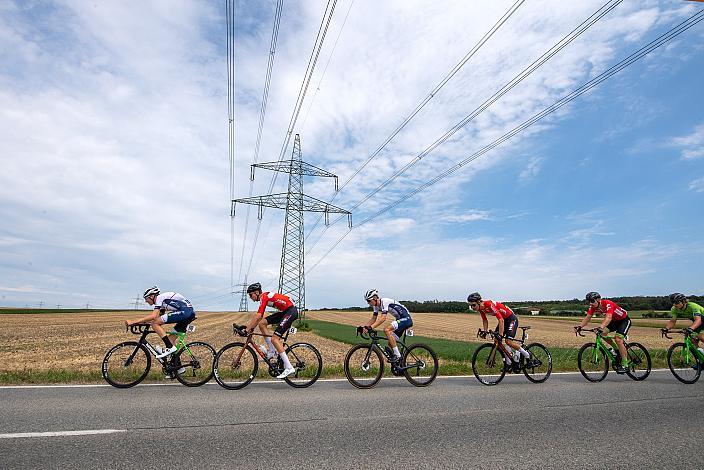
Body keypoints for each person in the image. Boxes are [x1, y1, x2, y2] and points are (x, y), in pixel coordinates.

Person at [244, 282, 298, 379]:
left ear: (256, 292)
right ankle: (272, 351)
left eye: (250, 294)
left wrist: (248, 329)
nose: (250, 297)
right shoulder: (264, 297)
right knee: (262, 324)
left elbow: (258, 315)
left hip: (290, 311)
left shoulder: (264, 297)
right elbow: (259, 319)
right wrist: (250, 328)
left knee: (275, 339)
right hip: (285, 311)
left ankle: (289, 367)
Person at [125, 286, 196, 359]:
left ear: (152, 296)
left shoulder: (159, 298)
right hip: (189, 314)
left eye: (146, 298)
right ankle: (178, 367)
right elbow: (158, 317)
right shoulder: (162, 302)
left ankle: (169, 347)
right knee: (170, 340)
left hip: (185, 312)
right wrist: (142, 323)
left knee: (154, 323)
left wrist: (133, 322)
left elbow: (153, 316)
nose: (146, 301)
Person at [467, 292, 529, 369]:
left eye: (473, 305)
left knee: (508, 341)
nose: (472, 307)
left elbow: (501, 319)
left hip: (511, 319)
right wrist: (485, 331)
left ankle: (527, 355)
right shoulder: (481, 309)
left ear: (479, 302)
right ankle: (509, 364)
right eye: (470, 305)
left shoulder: (488, 304)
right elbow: (485, 320)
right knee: (497, 340)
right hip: (504, 320)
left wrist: (500, 334)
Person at [575, 291, 630, 374]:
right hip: (614, 322)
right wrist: (580, 326)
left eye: (592, 301)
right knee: (602, 334)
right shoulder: (593, 307)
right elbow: (587, 317)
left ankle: (625, 364)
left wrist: (601, 327)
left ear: (598, 299)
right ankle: (617, 350)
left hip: (623, 320)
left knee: (618, 339)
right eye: (589, 301)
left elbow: (608, 318)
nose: (591, 303)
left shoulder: (608, 304)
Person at [361, 289, 413, 365]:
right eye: (367, 301)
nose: (368, 303)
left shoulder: (384, 301)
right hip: (400, 320)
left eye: (369, 301)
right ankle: (400, 363)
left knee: (386, 330)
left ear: (375, 298)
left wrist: (371, 327)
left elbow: (383, 318)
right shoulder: (376, 306)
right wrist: (364, 327)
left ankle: (398, 356)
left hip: (406, 319)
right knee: (390, 343)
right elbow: (373, 318)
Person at [663, 293, 704, 362]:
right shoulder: (674, 309)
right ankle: (701, 360)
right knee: (693, 340)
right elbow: (672, 321)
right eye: (673, 302)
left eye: (676, 302)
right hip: (699, 322)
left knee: (700, 336)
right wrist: (666, 328)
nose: (674, 304)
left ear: (684, 301)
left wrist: (690, 329)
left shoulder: (692, 306)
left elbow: (698, 320)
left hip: (700, 320)